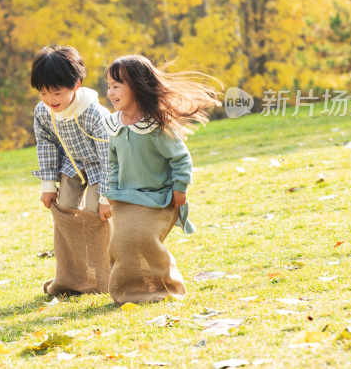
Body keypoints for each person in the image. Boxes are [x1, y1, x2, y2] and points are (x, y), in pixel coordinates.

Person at [103, 54, 220, 304]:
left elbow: (181, 159)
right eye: (109, 86)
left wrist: (180, 188)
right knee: (120, 244)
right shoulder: (113, 125)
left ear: (136, 85)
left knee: (144, 238)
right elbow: (112, 162)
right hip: (124, 197)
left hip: (159, 197)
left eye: (116, 85)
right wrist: (109, 192)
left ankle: (165, 287)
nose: (110, 92)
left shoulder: (156, 126)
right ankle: (127, 292)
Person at [30, 45, 112, 295]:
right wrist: (48, 186)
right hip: (73, 164)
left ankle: (105, 274)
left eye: (56, 92)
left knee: (94, 212)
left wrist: (106, 197)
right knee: (64, 207)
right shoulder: (44, 112)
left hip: (101, 164)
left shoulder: (93, 113)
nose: (50, 99)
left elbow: (108, 155)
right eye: (44, 92)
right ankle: (74, 275)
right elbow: (46, 146)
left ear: (75, 85)